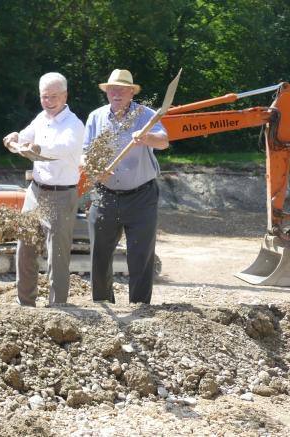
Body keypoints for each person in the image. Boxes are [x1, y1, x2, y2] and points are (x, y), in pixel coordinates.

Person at [84, 69, 169, 304]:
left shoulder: (146, 116)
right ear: (106, 92)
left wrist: (146, 138)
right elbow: (84, 153)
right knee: (99, 254)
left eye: (122, 89)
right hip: (104, 195)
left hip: (141, 196)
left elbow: (164, 141)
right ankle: (102, 302)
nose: (116, 93)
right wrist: (93, 168)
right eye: (112, 89)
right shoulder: (96, 117)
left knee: (141, 255)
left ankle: (140, 306)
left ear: (132, 92)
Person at [1, 72, 85, 306]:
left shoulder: (74, 125)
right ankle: (25, 303)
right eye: (44, 96)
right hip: (35, 191)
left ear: (65, 96)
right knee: (24, 247)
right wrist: (15, 138)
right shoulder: (41, 118)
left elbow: (61, 148)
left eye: (53, 97)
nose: (48, 101)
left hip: (62, 194)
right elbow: (25, 136)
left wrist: (36, 147)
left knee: (57, 255)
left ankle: (57, 307)